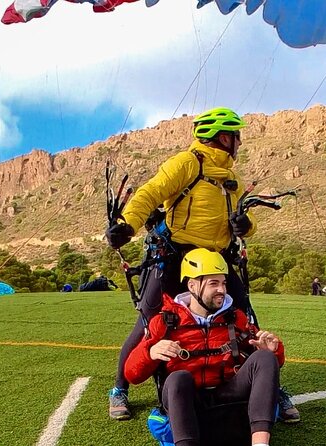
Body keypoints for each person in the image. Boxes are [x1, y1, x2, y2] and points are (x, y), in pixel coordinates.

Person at [105, 107, 277, 420]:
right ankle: (120, 388)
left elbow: (244, 216)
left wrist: (245, 226)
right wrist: (128, 225)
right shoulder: (187, 163)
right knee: (149, 319)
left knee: (243, 315)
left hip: (217, 258)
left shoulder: (231, 178)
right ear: (224, 137)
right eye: (236, 136)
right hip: (174, 254)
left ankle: (269, 383)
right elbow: (151, 192)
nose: (239, 143)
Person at [125, 249, 284, 446]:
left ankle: (260, 443)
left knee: (265, 358)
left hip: (228, 395)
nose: (222, 290)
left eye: (224, 283)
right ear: (192, 285)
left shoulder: (237, 318)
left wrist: (273, 351)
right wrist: (149, 353)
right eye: (213, 283)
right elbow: (132, 374)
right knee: (178, 378)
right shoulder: (165, 322)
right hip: (187, 402)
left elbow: (267, 368)